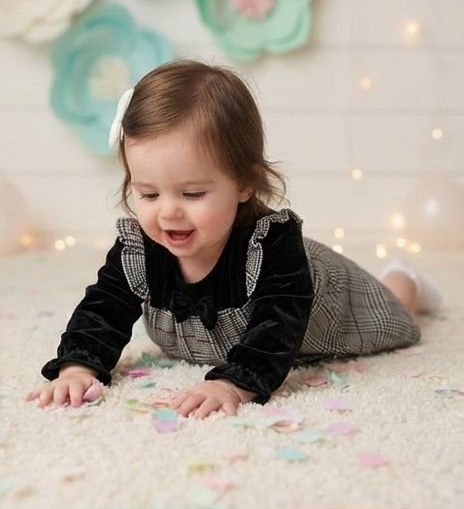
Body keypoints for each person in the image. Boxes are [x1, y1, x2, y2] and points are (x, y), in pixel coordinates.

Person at [27, 60, 442, 419]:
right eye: (148, 194)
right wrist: (77, 367)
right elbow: (103, 309)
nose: (168, 211)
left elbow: (278, 324)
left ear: (246, 183)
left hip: (331, 310)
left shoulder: (272, 247)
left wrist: (234, 383)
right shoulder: (139, 249)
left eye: (193, 194)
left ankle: (403, 278)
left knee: (394, 311)